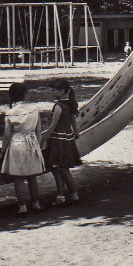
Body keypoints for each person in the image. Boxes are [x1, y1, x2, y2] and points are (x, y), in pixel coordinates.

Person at [1, 82, 46, 217]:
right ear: (25, 95)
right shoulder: (34, 109)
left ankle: (22, 207)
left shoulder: (10, 113)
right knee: (32, 177)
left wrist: (3, 151)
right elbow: (39, 131)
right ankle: (36, 204)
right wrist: (37, 145)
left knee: (18, 178)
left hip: (17, 144)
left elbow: (7, 135)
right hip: (32, 143)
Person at [40, 78, 82, 207]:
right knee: (58, 169)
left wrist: (43, 138)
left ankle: (72, 195)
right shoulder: (70, 104)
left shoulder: (58, 106)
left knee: (61, 169)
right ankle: (62, 196)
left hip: (58, 141)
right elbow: (74, 121)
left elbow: (53, 125)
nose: (51, 92)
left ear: (62, 91)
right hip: (67, 139)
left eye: (54, 90)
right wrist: (75, 132)